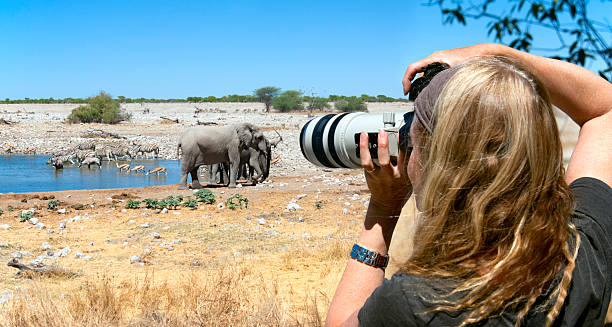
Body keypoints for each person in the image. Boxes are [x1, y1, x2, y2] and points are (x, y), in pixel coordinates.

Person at [325, 43, 612, 326]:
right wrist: (496, 55)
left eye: (413, 141)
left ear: (440, 168)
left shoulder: (419, 304)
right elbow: (605, 110)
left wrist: (381, 212)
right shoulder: (579, 256)